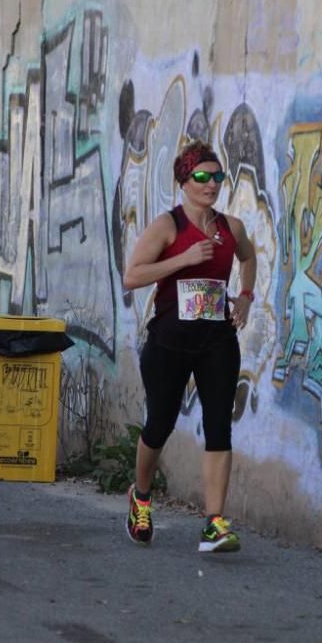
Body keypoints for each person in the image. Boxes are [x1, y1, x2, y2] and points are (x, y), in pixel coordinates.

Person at [122, 140, 257, 552]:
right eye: (201, 176)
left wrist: (246, 298)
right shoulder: (169, 226)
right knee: (159, 424)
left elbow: (249, 259)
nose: (211, 184)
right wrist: (183, 260)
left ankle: (214, 522)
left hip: (217, 339)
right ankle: (140, 496)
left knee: (219, 426)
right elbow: (132, 276)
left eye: (217, 176)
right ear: (184, 180)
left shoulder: (232, 228)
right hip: (169, 342)